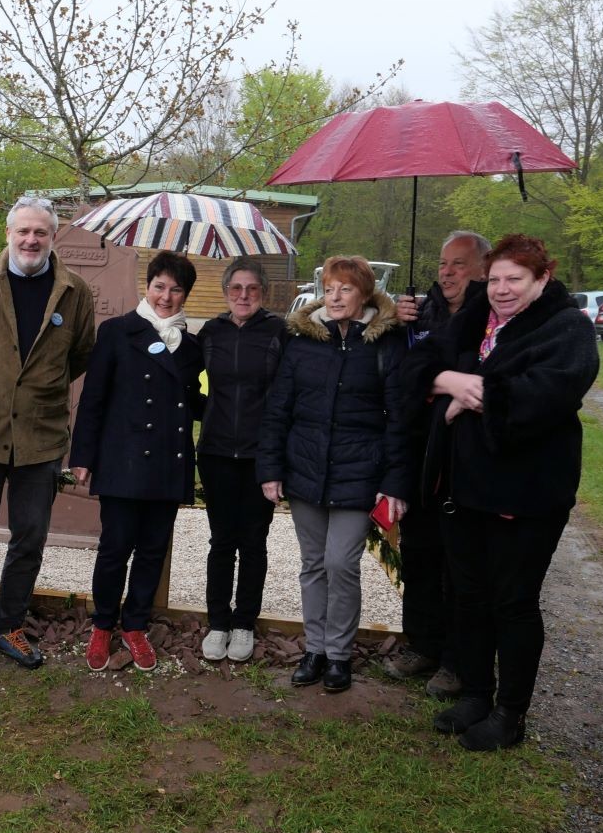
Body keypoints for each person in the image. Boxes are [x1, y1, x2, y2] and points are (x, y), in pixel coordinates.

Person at [403, 234, 598, 751]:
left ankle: (510, 713)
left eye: (515, 279)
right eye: (494, 280)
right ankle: (475, 693)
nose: (503, 289)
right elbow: (416, 366)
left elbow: (549, 392)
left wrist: (476, 396)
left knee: (512, 602)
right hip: (463, 490)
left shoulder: (567, 329)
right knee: (467, 596)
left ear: (542, 280)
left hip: (525, 494)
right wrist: (448, 380)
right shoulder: (473, 320)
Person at [0, 196, 96, 672]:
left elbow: (80, 356)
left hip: (41, 436)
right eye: (23, 231)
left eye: (41, 233)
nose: (31, 240)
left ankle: (10, 626)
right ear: (7, 233)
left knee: (29, 536)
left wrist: (32, 391)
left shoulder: (74, 292)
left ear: (52, 237)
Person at [257, 255, 410, 693]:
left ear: (364, 292)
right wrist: (271, 469)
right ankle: (315, 649)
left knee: (341, 563)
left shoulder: (386, 343)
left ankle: (339, 655)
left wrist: (394, 481)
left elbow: (401, 419)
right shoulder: (303, 339)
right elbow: (278, 408)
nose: (336, 296)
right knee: (312, 565)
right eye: (329, 287)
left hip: (359, 473)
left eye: (345, 288)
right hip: (305, 470)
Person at [69, 251, 203, 672]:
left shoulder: (191, 346)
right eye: (160, 286)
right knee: (114, 550)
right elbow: (93, 400)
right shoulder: (116, 331)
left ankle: (136, 625)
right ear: (148, 286)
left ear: (185, 295)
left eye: (176, 289)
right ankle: (104, 625)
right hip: (123, 461)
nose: (167, 296)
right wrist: (83, 456)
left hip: (169, 461)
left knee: (151, 551)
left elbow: (192, 402)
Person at [384, 230, 490, 699]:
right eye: (443, 264)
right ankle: (422, 644)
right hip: (420, 452)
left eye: (459, 265)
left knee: (460, 565)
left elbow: (484, 382)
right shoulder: (420, 311)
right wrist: (396, 322)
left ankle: (457, 660)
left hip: (465, 457)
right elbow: (402, 376)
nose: (446, 273)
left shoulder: (490, 316)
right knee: (420, 553)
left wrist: (435, 381)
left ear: (484, 268)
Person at [196, 256, 287, 663]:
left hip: (259, 454)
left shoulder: (279, 332)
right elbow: (185, 382)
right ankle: (218, 621)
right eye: (236, 288)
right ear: (226, 292)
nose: (244, 295)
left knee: (254, 542)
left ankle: (244, 622)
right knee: (221, 540)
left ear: (263, 293)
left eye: (252, 289)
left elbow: (289, 394)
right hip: (215, 451)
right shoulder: (211, 332)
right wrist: (208, 411)